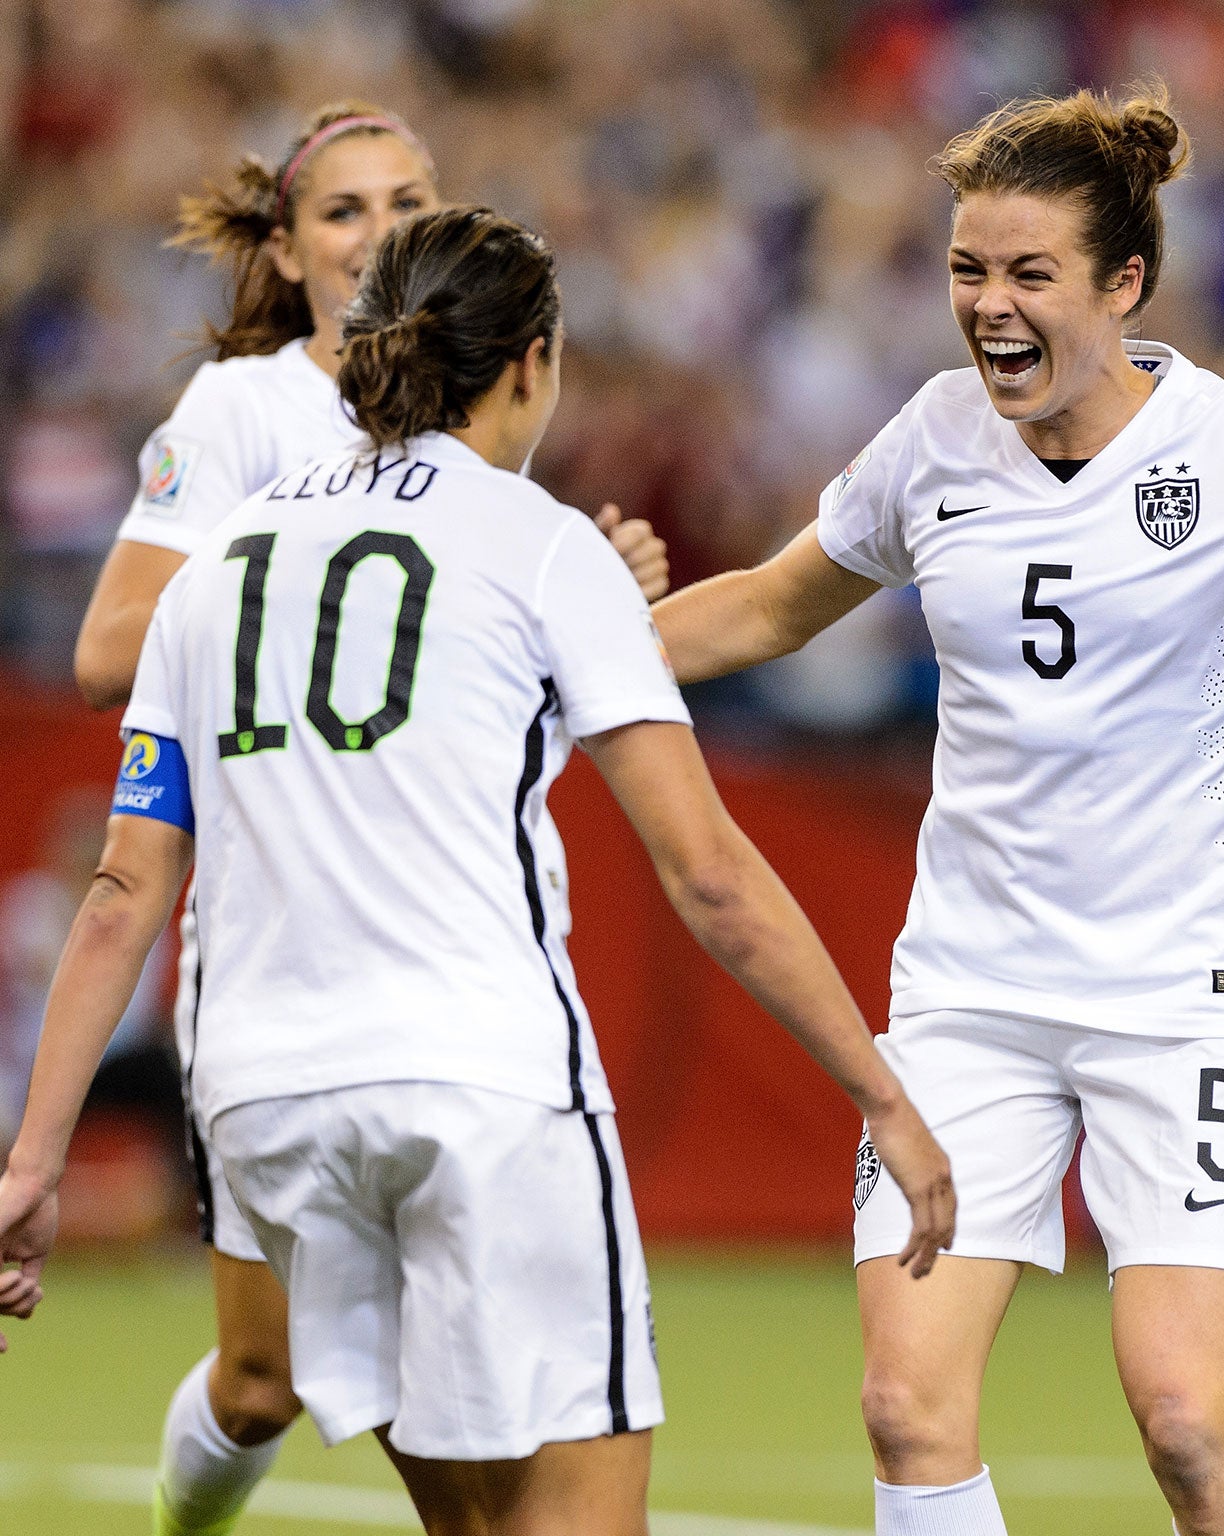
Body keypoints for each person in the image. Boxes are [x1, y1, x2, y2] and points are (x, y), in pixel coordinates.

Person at [649, 87, 1224, 1536]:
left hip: (1181, 994)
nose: (989, 309)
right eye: (967, 272)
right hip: (971, 994)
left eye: (1028, 275)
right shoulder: (934, 438)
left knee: (1190, 1430)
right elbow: (763, 608)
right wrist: (559, 649)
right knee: (905, 1406)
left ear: (1125, 285)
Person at [0, 205, 955, 1536]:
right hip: (480, 1095)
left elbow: (122, 891)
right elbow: (712, 877)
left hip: (270, 1110)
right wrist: (884, 1096)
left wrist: (32, 1162)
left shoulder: (216, 568)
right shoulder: (540, 542)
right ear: (532, 361)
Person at [70, 101, 668, 1536]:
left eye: (408, 200)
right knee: (262, 1380)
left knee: (436, 1429)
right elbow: (108, 650)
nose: (379, 230)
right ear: (284, 249)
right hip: (275, 933)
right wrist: (296, 559)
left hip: (412, 954)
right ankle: (183, 1513)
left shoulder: (469, 426)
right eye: (343, 209)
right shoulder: (246, 412)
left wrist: (591, 596)